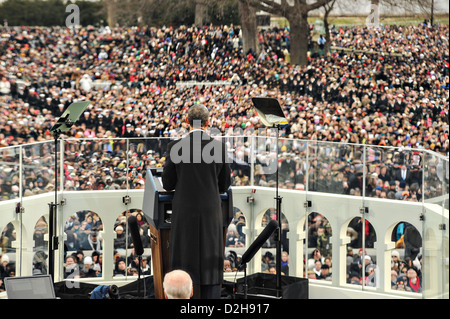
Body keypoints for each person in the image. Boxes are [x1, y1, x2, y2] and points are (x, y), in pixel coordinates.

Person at [162, 104, 231, 299]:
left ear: (186, 122)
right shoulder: (218, 147)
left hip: (184, 213)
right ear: (208, 123)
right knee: (210, 266)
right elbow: (225, 185)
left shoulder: (175, 147)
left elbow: (167, 184)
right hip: (211, 213)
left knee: (184, 264)